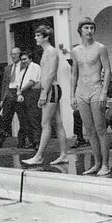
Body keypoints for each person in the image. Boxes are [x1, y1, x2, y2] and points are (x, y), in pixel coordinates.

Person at [70, 17, 112, 175]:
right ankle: (97, 163)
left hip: (96, 88)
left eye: (91, 27)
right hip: (81, 91)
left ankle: (105, 164)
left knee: (101, 128)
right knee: (89, 130)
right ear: (80, 30)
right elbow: (74, 73)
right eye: (86, 28)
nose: (89, 30)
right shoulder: (75, 51)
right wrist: (72, 95)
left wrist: (104, 91)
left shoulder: (100, 48)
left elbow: (107, 70)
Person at [22, 25, 68, 165]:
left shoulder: (51, 51)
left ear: (46, 37)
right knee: (58, 123)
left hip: (51, 89)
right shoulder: (46, 51)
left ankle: (39, 156)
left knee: (45, 123)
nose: (35, 38)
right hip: (51, 89)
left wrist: (43, 93)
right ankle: (64, 154)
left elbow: (51, 73)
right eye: (35, 35)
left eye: (38, 36)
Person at [0, 47, 27, 148]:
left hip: (19, 92)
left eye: (15, 54)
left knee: (22, 119)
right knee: (4, 119)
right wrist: (2, 99)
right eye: (12, 54)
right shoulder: (7, 68)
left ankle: (21, 142)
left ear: (19, 54)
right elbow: (4, 84)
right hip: (9, 93)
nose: (13, 56)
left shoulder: (24, 65)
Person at [16, 51, 42, 149]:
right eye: (22, 59)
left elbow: (32, 81)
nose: (23, 61)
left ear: (30, 59)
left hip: (32, 93)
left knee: (34, 117)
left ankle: (37, 142)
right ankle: (31, 141)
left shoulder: (35, 67)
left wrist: (21, 90)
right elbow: (18, 83)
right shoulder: (22, 71)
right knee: (25, 119)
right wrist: (19, 93)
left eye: (25, 59)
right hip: (23, 95)